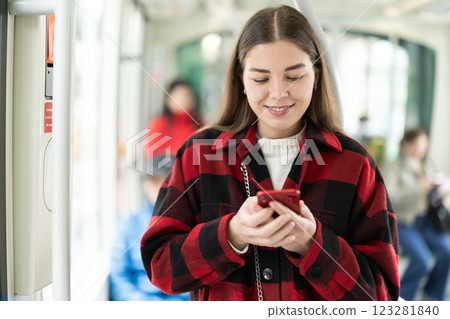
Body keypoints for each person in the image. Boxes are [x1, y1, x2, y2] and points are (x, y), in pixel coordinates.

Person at [141, 5, 399, 301]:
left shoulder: (355, 164)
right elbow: (160, 267)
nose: (278, 93)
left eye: (294, 77)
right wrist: (232, 235)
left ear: (316, 75)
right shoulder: (198, 155)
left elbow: (382, 297)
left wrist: (314, 245)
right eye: (261, 78)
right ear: (241, 79)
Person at [110, 157, 190, 301]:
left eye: (161, 183)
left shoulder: (194, 222)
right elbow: (118, 276)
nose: (157, 191)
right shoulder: (129, 225)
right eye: (152, 184)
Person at [383, 128, 450, 301]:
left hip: (426, 221)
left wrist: (437, 188)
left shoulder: (426, 164)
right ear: (407, 144)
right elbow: (389, 197)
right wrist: (418, 188)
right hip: (405, 223)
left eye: (424, 145)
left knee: (447, 251)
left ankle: (434, 295)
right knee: (423, 259)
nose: (422, 149)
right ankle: (402, 299)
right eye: (419, 145)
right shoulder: (392, 166)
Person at [147, 79, 202, 156]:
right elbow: (152, 155)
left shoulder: (199, 122)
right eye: (180, 96)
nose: (184, 100)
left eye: (188, 96)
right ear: (168, 99)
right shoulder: (160, 122)